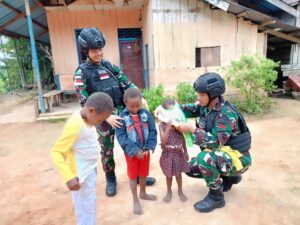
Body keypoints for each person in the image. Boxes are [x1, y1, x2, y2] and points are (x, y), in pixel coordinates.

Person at [74, 28, 156, 197]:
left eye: (100, 50)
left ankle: (139, 175)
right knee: (107, 150)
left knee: (134, 144)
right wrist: (106, 116)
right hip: (103, 120)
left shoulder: (110, 66)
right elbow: (85, 102)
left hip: (124, 115)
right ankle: (111, 178)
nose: (98, 54)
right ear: (86, 51)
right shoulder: (81, 72)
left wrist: (140, 97)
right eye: (94, 51)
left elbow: (127, 83)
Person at [155, 72, 252, 213]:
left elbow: (216, 143)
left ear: (213, 95)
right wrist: (163, 109)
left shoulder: (226, 114)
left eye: (201, 95)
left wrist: (192, 130)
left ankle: (217, 197)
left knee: (204, 159)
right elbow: (182, 110)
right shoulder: (205, 106)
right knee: (187, 168)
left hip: (238, 159)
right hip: (222, 156)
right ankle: (228, 179)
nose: (198, 97)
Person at [51, 92, 114, 225]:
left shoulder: (87, 118)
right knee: (85, 210)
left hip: (89, 170)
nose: (100, 123)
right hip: (80, 178)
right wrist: (68, 177)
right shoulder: (75, 125)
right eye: (100, 120)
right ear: (91, 110)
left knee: (89, 206)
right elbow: (57, 152)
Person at [116, 88, 157, 215]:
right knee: (133, 175)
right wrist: (134, 150)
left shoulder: (146, 114)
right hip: (131, 154)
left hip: (144, 151)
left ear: (141, 102)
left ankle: (143, 193)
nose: (134, 108)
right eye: (131, 106)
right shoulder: (121, 117)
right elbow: (121, 136)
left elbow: (152, 130)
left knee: (144, 173)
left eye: (137, 105)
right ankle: (135, 199)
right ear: (125, 102)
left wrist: (148, 147)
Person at [157, 98, 190, 203]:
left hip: (178, 154)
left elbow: (183, 139)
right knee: (168, 175)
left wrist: (186, 151)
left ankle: (180, 191)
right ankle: (169, 191)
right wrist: (167, 127)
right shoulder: (162, 125)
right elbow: (164, 140)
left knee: (178, 174)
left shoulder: (178, 125)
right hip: (167, 154)